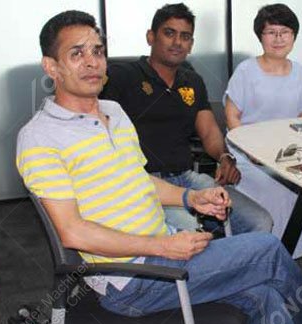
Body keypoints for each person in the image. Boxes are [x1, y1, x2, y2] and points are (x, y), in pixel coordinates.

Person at [17, 10, 302, 324]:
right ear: (50, 66)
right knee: (268, 248)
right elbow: (72, 231)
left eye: (98, 51)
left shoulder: (114, 114)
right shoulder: (39, 138)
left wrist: (191, 197)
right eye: (77, 54)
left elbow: (141, 182)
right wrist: (161, 246)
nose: (92, 62)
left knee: (266, 297)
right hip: (133, 281)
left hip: (163, 255)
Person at [101, 3, 273, 236]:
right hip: (144, 183)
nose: (177, 42)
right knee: (192, 235)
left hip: (187, 177)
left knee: (260, 222)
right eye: (169, 33)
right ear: (151, 37)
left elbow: (209, 130)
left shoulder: (193, 81)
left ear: (191, 45)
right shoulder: (122, 76)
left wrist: (224, 157)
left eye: (185, 36)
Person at [224, 4, 302, 280]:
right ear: (260, 37)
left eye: (285, 32)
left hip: (287, 150)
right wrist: (252, 152)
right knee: (275, 186)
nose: (278, 38)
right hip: (249, 152)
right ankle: (274, 252)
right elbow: (232, 117)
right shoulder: (246, 71)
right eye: (271, 32)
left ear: (294, 37)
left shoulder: (301, 73)